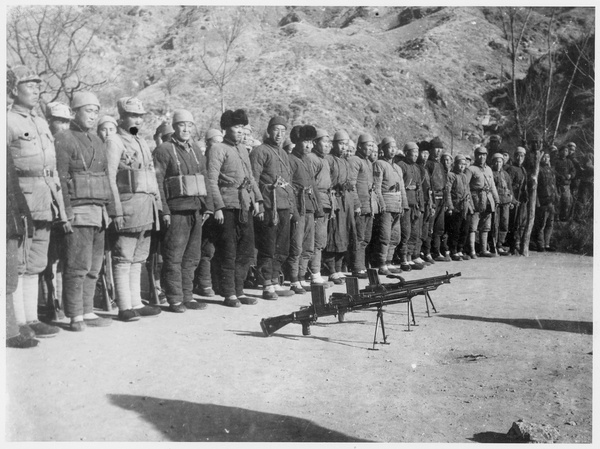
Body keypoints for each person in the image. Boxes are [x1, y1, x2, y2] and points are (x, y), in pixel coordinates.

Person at [7, 65, 68, 338]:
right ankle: (17, 321)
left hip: (46, 197)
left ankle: (31, 318)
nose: (35, 90)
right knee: (19, 262)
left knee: (36, 262)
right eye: (28, 85)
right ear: (13, 90)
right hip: (23, 200)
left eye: (37, 85)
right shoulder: (8, 121)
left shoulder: (41, 122)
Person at [55, 91, 115, 330]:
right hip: (78, 212)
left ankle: (88, 311)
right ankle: (75, 315)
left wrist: (109, 210)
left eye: (96, 111)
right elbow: (60, 178)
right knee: (77, 265)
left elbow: (105, 177)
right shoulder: (64, 138)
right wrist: (65, 212)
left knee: (93, 266)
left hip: (98, 211)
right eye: (88, 111)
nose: (93, 116)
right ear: (74, 113)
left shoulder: (98, 141)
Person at [105, 97, 163, 320]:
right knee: (123, 256)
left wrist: (157, 204)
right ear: (122, 117)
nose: (137, 119)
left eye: (140, 116)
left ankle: (136, 302)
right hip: (127, 207)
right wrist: (115, 210)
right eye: (132, 115)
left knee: (139, 256)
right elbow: (110, 177)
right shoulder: (115, 141)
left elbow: (151, 176)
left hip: (146, 207)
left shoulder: (141, 142)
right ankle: (124, 306)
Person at [154, 109, 215, 311]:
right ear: (174, 126)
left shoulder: (196, 149)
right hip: (176, 211)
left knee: (192, 256)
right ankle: (175, 298)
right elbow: (158, 182)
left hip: (196, 210)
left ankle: (188, 295)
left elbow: (205, 177)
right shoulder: (164, 150)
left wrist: (208, 205)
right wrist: (164, 211)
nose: (186, 129)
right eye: (182, 125)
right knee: (174, 256)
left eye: (190, 125)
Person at [206, 109, 263, 306]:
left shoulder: (242, 150)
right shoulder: (217, 149)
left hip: (244, 205)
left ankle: (239, 291)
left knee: (245, 251)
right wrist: (218, 207)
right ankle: (228, 293)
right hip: (227, 205)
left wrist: (258, 200)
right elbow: (211, 181)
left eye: (242, 127)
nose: (240, 131)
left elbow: (251, 178)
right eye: (236, 127)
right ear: (225, 128)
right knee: (228, 250)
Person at [250, 116, 296, 299]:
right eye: (276, 130)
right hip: (269, 205)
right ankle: (266, 284)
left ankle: (275, 280)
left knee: (282, 248)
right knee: (268, 247)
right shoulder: (260, 151)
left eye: (283, 131)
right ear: (269, 131)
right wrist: (258, 204)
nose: (279, 134)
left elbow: (289, 182)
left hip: (284, 206)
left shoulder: (283, 154)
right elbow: (253, 178)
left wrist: (291, 206)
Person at [284, 125, 323, 293]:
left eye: (311, 142)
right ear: (296, 142)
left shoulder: (308, 160)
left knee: (308, 245)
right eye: (305, 142)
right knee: (296, 244)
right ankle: (293, 279)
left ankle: (301, 276)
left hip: (309, 206)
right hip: (298, 206)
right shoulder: (290, 159)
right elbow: (289, 185)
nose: (309, 146)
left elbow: (313, 185)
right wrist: (292, 209)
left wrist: (318, 208)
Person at [6, 150, 37, 348]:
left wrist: (24, 216)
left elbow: (13, 185)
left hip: (8, 222)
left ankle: (10, 331)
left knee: (8, 279)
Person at [322, 130, 357, 284]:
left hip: (346, 202)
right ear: (334, 144)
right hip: (334, 201)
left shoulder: (346, 161)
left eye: (345, 144)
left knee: (345, 233)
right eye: (341, 144)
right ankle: (331, 270)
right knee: (334, 234)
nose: (343, 147)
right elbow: (325, 181)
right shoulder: (328, 160)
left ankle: (339, 267)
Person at [372, 136, 408, 275]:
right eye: (389, 147)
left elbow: (402, 188)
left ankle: (389, 261)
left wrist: (404, 205)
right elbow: (377, 187)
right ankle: (381, 263)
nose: (392, 150)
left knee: (395, 237)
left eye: (394, 147)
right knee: (384, 236)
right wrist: (381, 204)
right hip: (386, 206)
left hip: (397, 207)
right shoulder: (379, 164)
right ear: (383, 149)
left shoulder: (398, 168)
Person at [348, 133, 382, 277]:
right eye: (367, 145)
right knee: (359, 238)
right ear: (360, 146)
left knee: (366, 238)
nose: (370, 149)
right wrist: (356, 204)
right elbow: (352, 184)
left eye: (372, 146)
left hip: (369, 207)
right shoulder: (355, 161)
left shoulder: (368, 162)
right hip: (360, 207)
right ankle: (357, 267)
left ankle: (361, 265)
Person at [305, 128, 334, 286]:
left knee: (321, 240)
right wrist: (317, 205)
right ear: (315, 143)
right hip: (317, 202)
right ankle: (314, 273)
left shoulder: (324, 159)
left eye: (329, 142)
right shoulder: (312, 158)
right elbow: (311, 184)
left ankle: (316, 271)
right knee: (316, 240)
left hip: (325, 201)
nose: (328, 145)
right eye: (324, 142)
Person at [466, 146, 499, 258]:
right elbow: (466, 186)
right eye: (479, 154)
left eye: (484, 155)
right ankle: (472, 251)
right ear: (475, 156)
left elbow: (493, 185)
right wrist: (470, 202)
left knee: (486, 225)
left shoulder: (489, 169)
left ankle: (483, 250)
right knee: (473, 226)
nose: (482, 157)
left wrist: (496, 198)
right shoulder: (470, 169)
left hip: (488, 199)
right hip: (476, 198)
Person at [397, 142, 425, 270]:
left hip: (415, 204)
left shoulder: (417, 168)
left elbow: (419, 188)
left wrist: (421, 204)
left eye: (416, 153)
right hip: (406, 203)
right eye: (412, 152)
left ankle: (410, 256)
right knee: (405, 232)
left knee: (414, 232)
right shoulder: (401, 166)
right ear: (406, 153)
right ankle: (403, 257)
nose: (414, 155)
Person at [425, 137, 452, 261]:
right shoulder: (428, 164)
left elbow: (445, 184)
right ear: (431, 149)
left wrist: (446, 201)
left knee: (439, 227)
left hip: (441, 197)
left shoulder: (441, 165)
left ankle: (436, 251)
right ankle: (427, 252)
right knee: (429, 226)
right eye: (436, 149)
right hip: (432, 197)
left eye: (440, 149)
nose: (438, 151)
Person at [446, 154, 473, 261]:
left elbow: (468, 191)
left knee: (464, 230)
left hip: (465, 207)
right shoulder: (451, 175)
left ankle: (460, 250)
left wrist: (471, 207)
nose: (462, 167)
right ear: (455, 164)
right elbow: (447, 192)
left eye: (464, 165)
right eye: (460, 164)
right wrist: (450, 207)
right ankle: (453, 251)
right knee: (455, 230)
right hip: (456, 207)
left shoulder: (464, 176)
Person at [490, 153, 515, 256]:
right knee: (495, 224)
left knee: (504, 223)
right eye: (496, 161)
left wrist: (511, 201)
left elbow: (510, 188)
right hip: (496, 202)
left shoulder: (505, 174)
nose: (498, 163)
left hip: (505, 202)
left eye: (500, 161)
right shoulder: (491, 173)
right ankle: (493, 244)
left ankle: (500, 244)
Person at [533, 152, 559, 251]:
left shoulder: (551, 170)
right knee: (541, 224)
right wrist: (537, 201)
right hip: (542, 201)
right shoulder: (538, 170)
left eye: (547, 157)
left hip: (551, 201)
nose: (546, 159)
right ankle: (540, 244)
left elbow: (554, 185)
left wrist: (556, 197)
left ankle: (547, 244)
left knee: (550, 224)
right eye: (544, 157)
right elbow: (535, 187)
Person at [505, 147, 528, 255]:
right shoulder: (511, 169)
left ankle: (517, 244)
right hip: (513, 199)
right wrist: (512, 199)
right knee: (512, 222)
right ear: (514, 157)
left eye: (522, 156)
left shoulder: (523, 170)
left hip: (521, 198)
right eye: (518, 155)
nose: (519, 158)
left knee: (520, 222)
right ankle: (511, 246)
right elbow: (508, 185)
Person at [416, 142, 435, 264]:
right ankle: (417, 254)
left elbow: (429, 188)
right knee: (418, 229)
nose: (425, 156)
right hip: (420, 201)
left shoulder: (426, 168)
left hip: (428, 201)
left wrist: (432, 204)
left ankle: (423, 253)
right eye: (423, 153)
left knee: (426, 229)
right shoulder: (417, 167)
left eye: (427, 153)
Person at [553, 145, 576, 221]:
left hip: (566, 185)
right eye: (563, 150)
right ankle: (556, 218)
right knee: (557, 201)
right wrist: (559, 176)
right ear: (560, 152)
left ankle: (563, 218)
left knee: (566, 201)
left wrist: (570, 175)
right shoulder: (556, 161)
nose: (565, 152)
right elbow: (553, 170)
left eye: (566, 151)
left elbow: (573, 171)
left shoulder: (569, 162)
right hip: (557, 185)